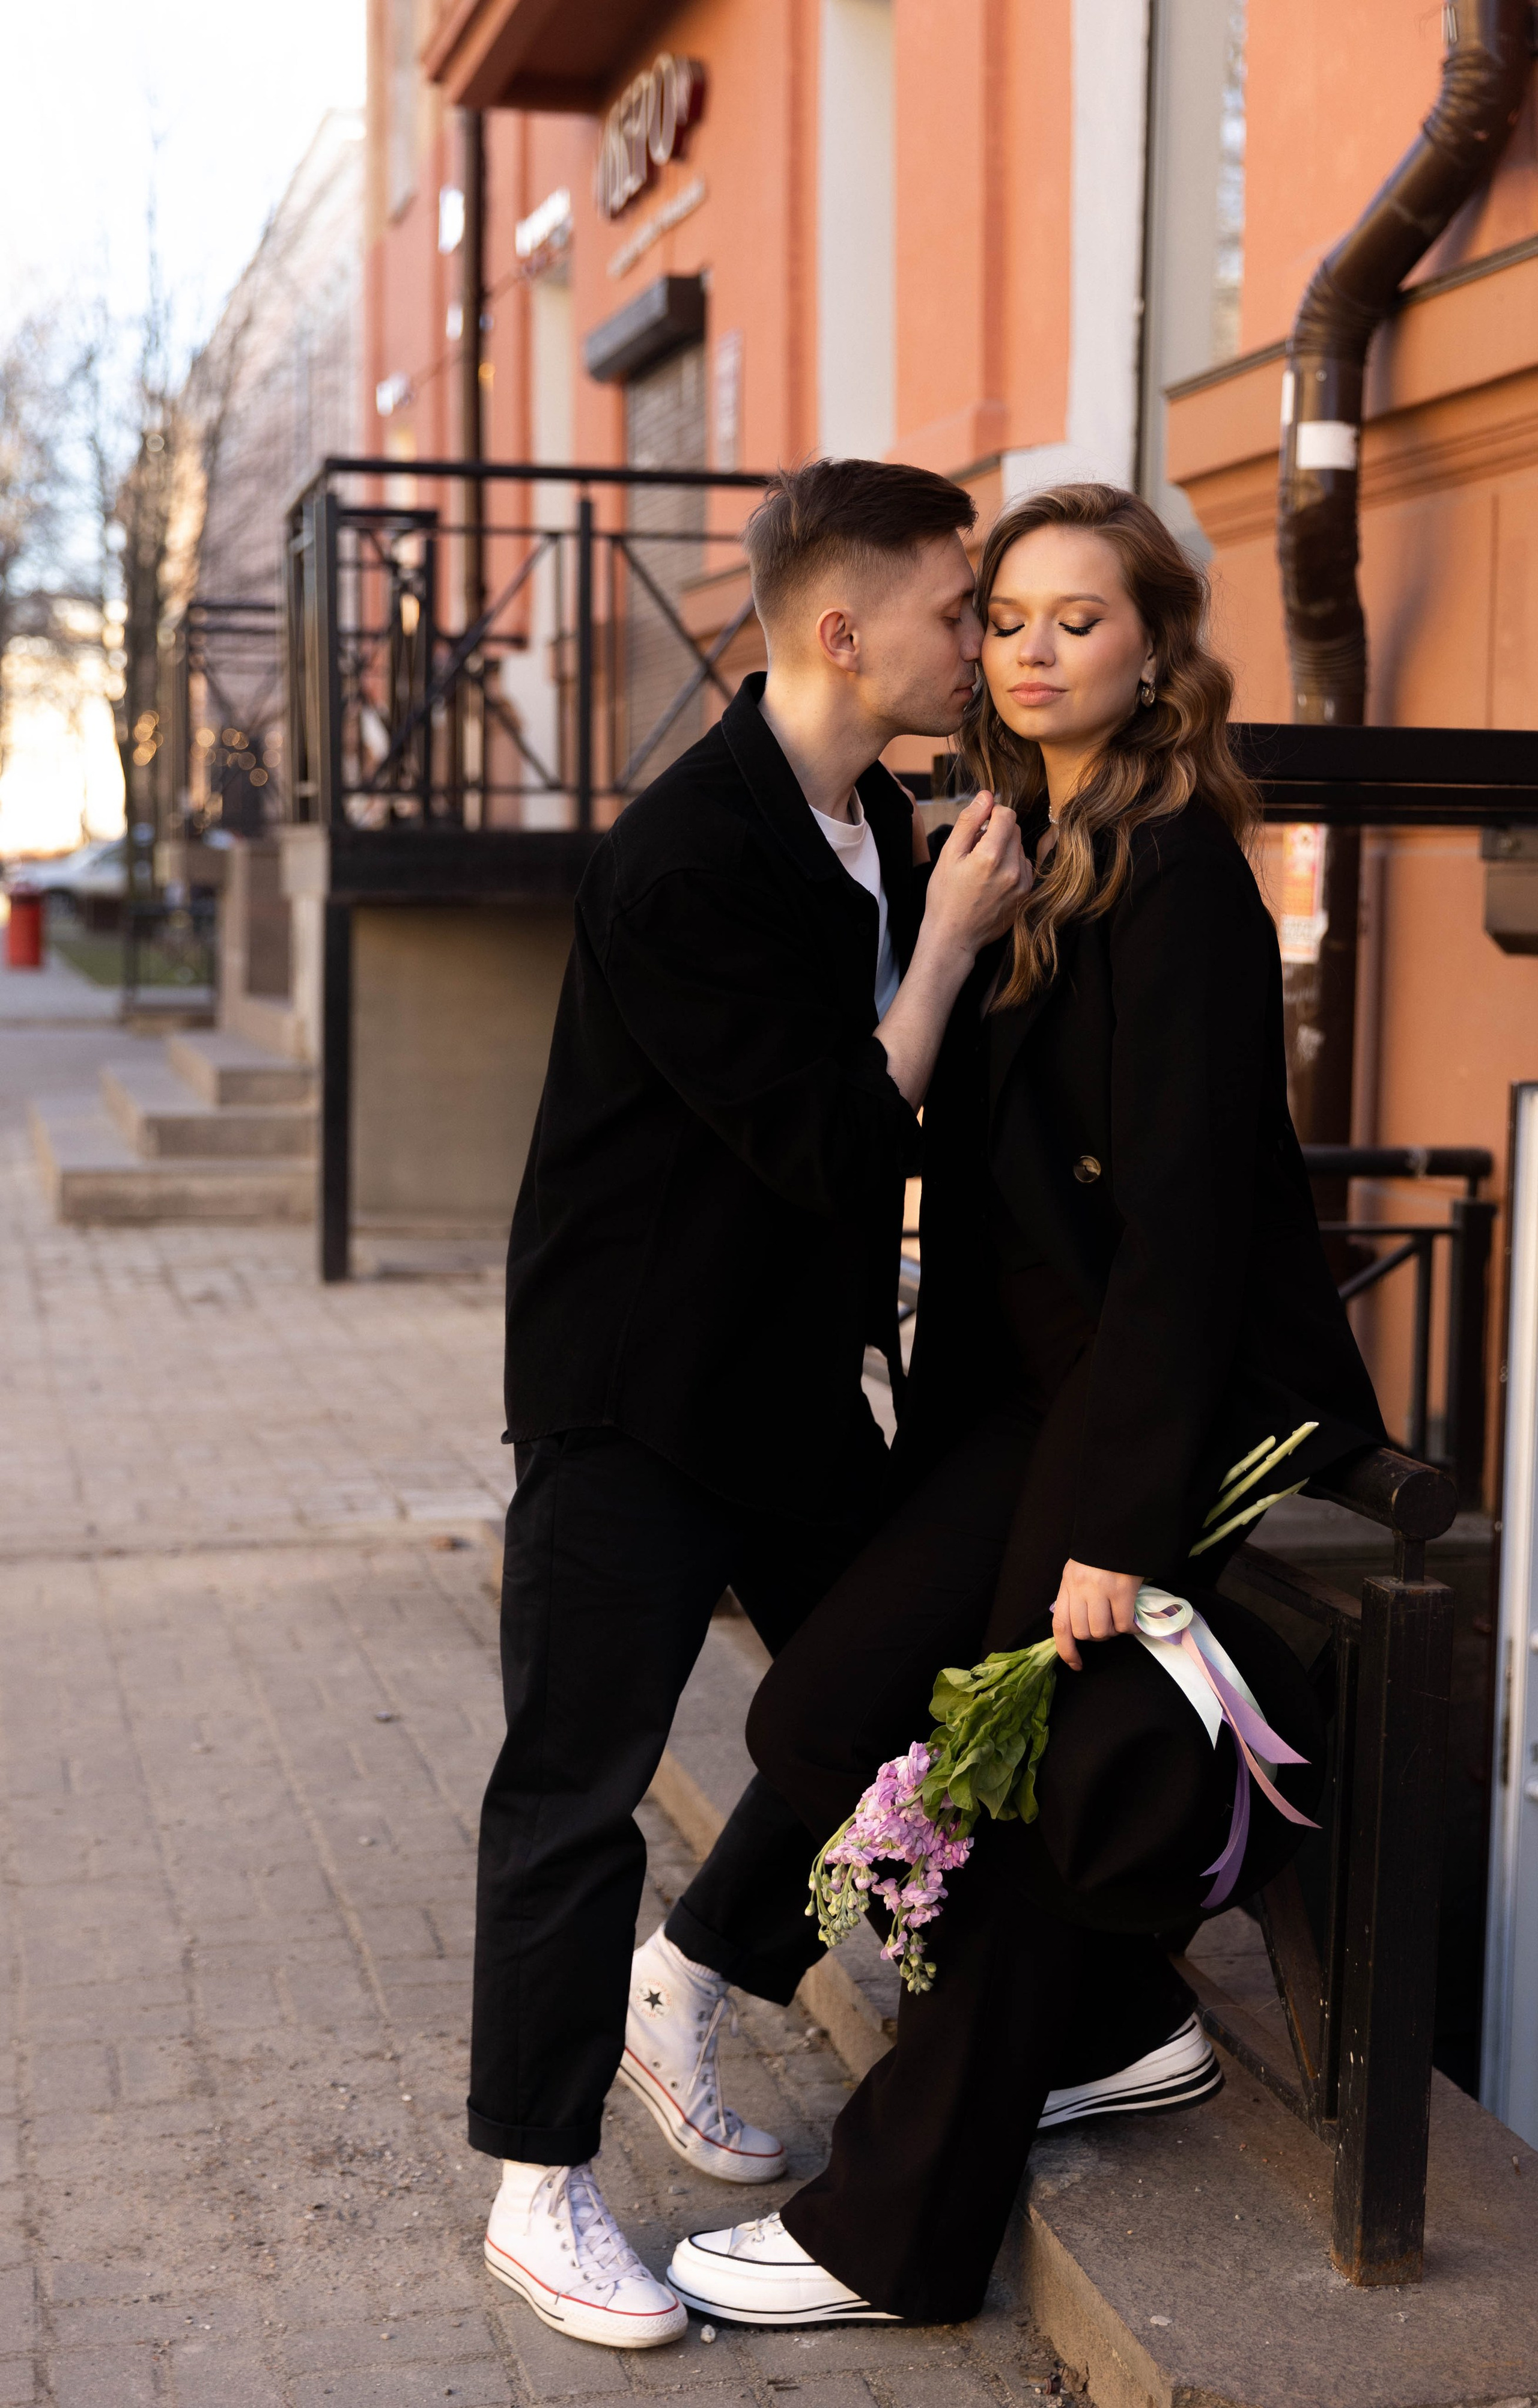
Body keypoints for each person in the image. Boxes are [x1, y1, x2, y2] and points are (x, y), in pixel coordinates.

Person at [664, 482, 1387, 2330]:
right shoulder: (1005, 849)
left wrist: (1111, 1530)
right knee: (823, 1705)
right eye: (1007, 619)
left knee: (1012, 1783)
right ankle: (1123, 2025)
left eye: (1084, 618)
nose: (1036, 649)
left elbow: (1184, 1244)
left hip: (1173, 1405)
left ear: (1156, 654)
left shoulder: (1180, 876)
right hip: (1025, 1402)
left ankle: (892, 2235)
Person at [471, 456, 1031, 2348]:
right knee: (577, 1787)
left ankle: (693, 1976)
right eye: (961, 610)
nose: (984, 641)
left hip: (789, 1390)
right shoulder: (682, 858)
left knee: (893, 1704)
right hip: (630, 1395)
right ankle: (535, 2186)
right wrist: (947, 953)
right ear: (844, 631)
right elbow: (836, 1137)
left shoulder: (879, 819)